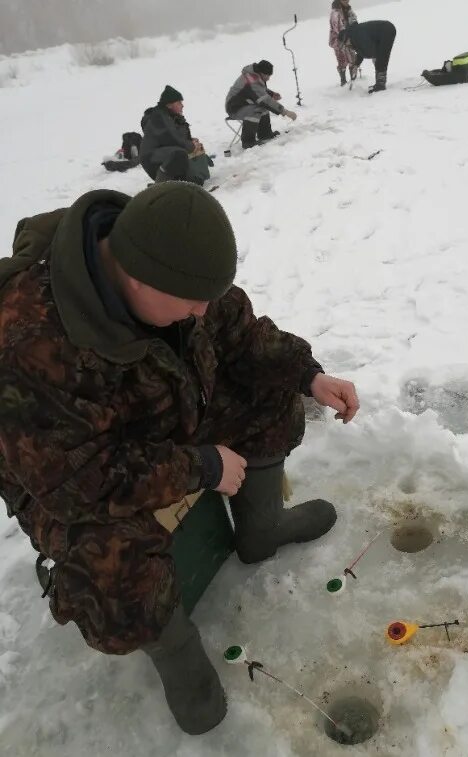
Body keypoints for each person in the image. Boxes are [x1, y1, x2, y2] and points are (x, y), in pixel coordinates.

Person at [0, 182, 359, 735]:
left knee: (270, 393)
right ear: (137, 277)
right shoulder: (30, 343)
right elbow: (76, 481)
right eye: (193, 300)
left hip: (163, 420)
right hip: (66, 478)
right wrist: (201, 466)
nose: (204, 310)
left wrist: (309, 375)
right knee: (108, 567)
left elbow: (241, 338)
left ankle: (260, 532)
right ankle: (181, 663)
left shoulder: (179, 279)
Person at [140, 84, 213, 184]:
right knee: (179, 153)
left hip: (167, 155)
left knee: (196, 182)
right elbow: (172, 139)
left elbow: (180, 138)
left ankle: (179, 182)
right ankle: (160, 186)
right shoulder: (159, 117)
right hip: (151, 158)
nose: (182, 105)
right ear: (169, 105)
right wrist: (191, 145)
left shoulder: (174, 116)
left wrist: (191, 141)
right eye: (179, 103)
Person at [225, 60, 297, 149]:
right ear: (262, 73)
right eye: (268, 76)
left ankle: (265, 135)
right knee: (258, 108)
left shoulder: (254, 76)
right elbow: (263, 99)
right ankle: (248, 142)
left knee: (262, 106)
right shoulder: (251, 80)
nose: (269, 78)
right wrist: (285, 112)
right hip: (234, 108)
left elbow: (258, 91)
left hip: (244, 104)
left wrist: (271, 94)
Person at [339, 20, 397, 93]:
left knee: (382, 57)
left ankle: (380, 85)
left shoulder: (358, 35)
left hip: (387, 30)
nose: (346, 45)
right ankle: (379, 84)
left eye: (345, 43)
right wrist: (356, 65)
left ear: (346, 38)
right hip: (381, 33)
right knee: (380, 57)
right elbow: (362, 51)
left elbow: (369, 52)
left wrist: (358, 60)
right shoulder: (353, 35)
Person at [329, 0, 358, 86]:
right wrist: (345, 37)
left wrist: (355, 29)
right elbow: (337, 27)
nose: (347, 1)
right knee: (342, 61)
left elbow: (354, 20)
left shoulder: (349, 10)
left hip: (350, 39)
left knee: (353, 59)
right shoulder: (335, 12)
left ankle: (353, 81)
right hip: (338, 41)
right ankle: (343, 82)